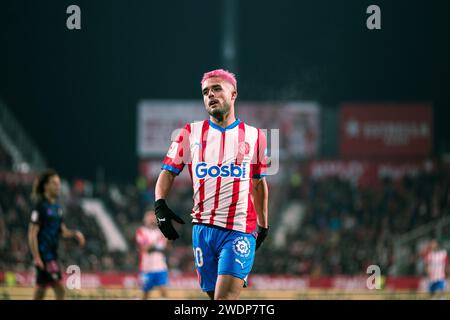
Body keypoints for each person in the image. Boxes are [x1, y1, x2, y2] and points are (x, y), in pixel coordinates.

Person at [154, 69, 270, 300]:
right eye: (206, 92)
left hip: (238, 230)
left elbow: (258, 184)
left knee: (224, 299)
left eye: (217, 88)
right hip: (202, 231)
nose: (211, 95)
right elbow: (167, 173)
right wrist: (160, 206)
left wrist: (263, 225)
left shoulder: (255, 136)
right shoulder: (189, 132)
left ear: (233, 94)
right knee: (212, 297)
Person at [28, 169, 85, 300]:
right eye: (54, 183)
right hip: (44, 256)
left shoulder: (58, 208)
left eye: (58, 183)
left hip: (52, 254)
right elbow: (32, 234)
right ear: (46, 186)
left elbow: (63, 231)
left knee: (41, 291)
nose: (58, 186)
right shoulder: (40, 207)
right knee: (59, 290)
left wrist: (75, 234)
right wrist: (37, 257)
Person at [135, 209, 169, 299]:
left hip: (160, 267)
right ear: (145, 219)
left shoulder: (160, 232)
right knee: (144, 294)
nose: (151, 219)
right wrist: (155, 241)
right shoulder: (141, 231)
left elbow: (163, 247)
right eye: (149, 217)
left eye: (153, 217)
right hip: (147, 268)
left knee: (164, 292)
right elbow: (143, 248)